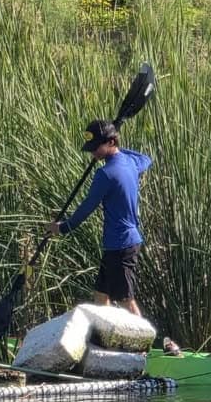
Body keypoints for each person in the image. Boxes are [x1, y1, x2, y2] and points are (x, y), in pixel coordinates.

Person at [48, 119, 152, 316]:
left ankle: (142, 346)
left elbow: (87, 207)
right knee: (101, 295)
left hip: (121, 245)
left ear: (111, 142)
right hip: (119, 243)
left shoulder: (105, 174)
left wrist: (62, 228)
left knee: (125, 301)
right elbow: (146, 159)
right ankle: (104, 340)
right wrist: (118, 146)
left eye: (97, 147)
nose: (93, 152)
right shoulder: (131, 163)